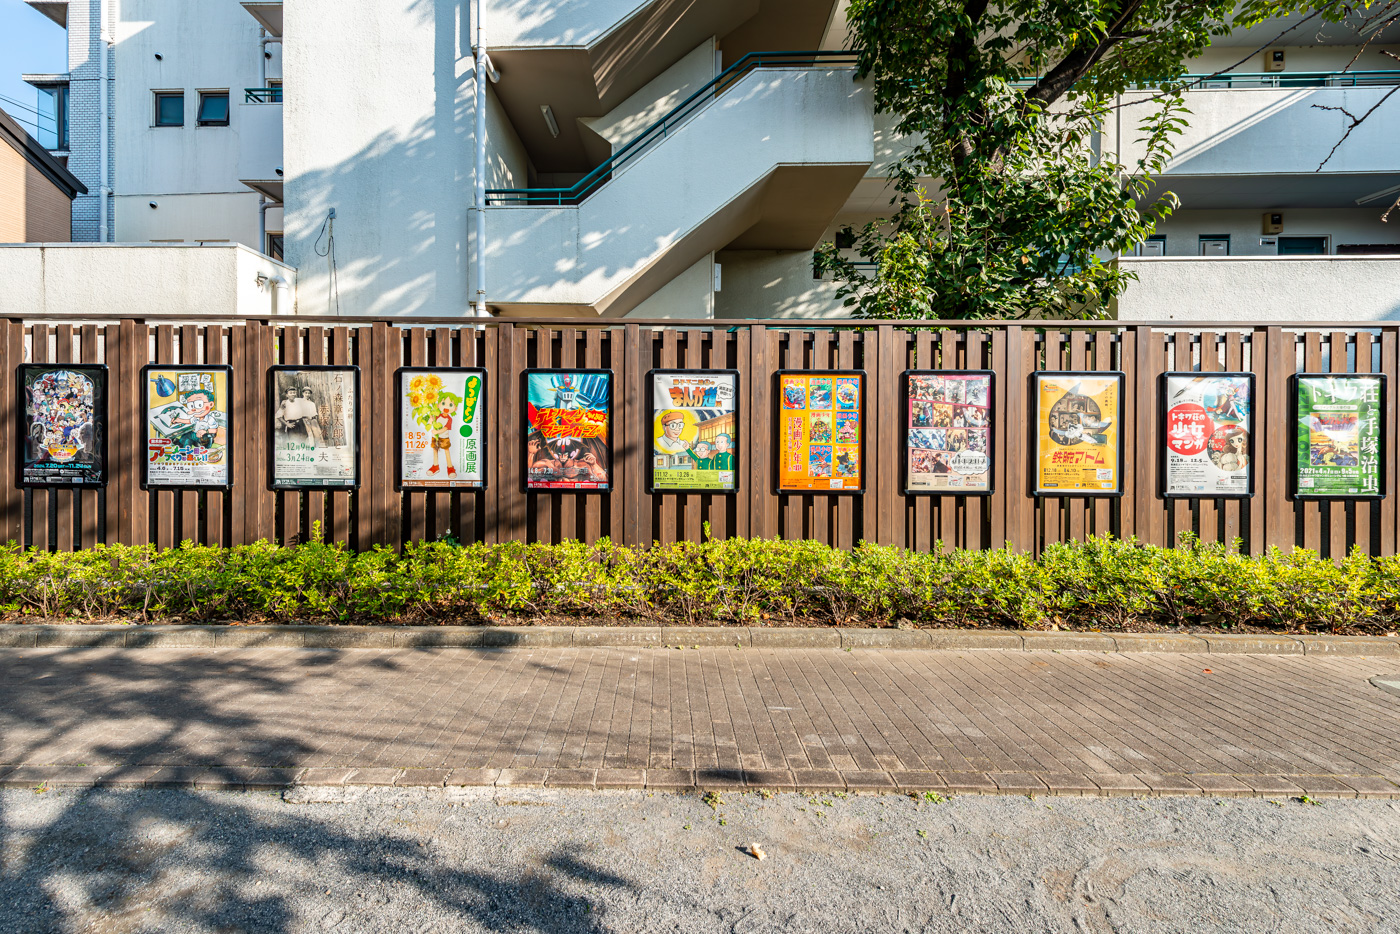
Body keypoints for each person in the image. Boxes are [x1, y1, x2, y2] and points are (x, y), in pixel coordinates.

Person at [428, 399, 457, 477]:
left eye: (450, 405)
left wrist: (437, 432)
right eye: (443, 403)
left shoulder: (449, 419)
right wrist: (430, 420)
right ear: (438, 405)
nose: (446, 408)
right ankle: (435, 466)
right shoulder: (437, 415)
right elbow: (431, 422)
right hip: (435, 437)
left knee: (446, 450)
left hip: (444, 437)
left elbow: (445, 428)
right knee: (435, 450)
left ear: (455, 408)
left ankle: (450, 468)